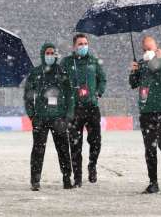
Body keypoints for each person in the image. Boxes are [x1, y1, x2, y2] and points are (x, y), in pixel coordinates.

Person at [129, 36, 161, 194]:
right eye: (144, 50)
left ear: (156, 47)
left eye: (149, 49)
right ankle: (153, 182)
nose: (147, 52)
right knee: (149, 148)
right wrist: (134, 71)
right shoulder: (142, 64)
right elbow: (133, 84)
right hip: (146, 111)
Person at [24, 43, 75, 191]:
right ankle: (35, 180)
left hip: (59, 117)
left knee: (63, 149)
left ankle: (67, 178)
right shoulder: (35, 73)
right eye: (48, 53)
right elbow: (28, 96)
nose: (50, 56)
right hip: (40, 117)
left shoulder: (62, 72)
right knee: (38, 150)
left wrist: (68, 115)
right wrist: (32, 115)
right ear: (42, 54)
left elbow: (70, 95)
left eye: (52, 53)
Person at [60, 34, 106, 187]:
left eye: (85, 43)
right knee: (75, 145)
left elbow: (103, 79)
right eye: (80, 44)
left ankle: (92, 165)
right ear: (74, 46)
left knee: (96, 142)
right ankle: (77, 178)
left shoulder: (93, 61)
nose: (83, 46)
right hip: (74, 109)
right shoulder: (66, 63)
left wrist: (99, 92)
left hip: (92, 107)